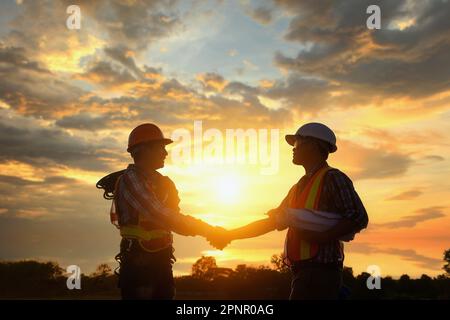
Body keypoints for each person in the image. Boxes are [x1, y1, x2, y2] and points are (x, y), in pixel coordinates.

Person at [225, 122, 369, 299]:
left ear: (314, 145)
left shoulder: (334, 178)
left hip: (321, 274)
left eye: (297, 143)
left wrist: (322, 237)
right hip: (302, 274)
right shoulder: (297, 188)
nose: (293, 149)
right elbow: (272, 222)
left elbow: (358, 216)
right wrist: (228, 235)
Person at [97, 123, 227, 299]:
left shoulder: (166, 184)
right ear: (144, 150)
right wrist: (208, 230)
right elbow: (159, 213)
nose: (165, 153)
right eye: (160, 148)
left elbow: (176, 222)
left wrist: (209, 232)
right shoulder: (130, 180)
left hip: (162, 261)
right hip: (138, 264)